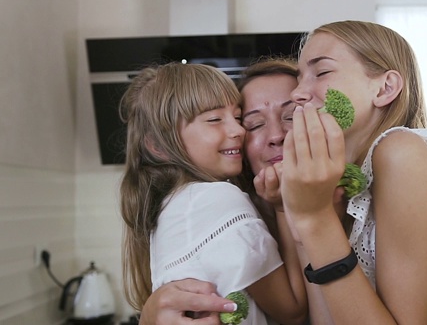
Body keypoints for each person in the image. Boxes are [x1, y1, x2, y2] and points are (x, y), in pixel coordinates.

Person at [137, 57, 427, 325]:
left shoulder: (395, 205)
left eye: (294, 116)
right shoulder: (220, 218)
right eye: (253, 123)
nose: (276, 135)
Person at [277, 20, 427, 323]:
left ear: (385, 88)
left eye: (323, 71)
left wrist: (313, 220)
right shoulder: (356, 186)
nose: (298, 94)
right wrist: (309, 223)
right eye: (299, 79)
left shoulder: (399, 152)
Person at [119, 62, 307, 325]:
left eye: (238, 118)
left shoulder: (175, 205)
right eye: (214, 119)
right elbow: (293, 311)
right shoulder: (217, 199)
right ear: (158, 146)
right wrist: (283, 205)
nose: (238, 130)